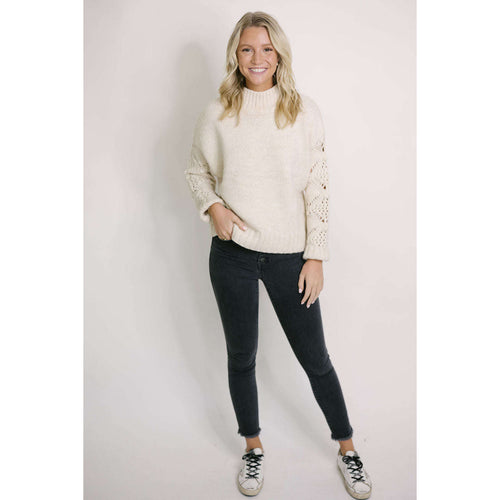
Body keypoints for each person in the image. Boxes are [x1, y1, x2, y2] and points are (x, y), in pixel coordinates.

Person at [184, 11, 372, 499]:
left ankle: (347, 449)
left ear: (280, 54)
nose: (257, 58)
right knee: (241, 356)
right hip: (233, 256)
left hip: (291, 257)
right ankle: (253, 447)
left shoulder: (303, 112)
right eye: (248, 49)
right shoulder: (218, 112)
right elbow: (197, 171)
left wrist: (316, 256)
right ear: (235, 54)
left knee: (316, 359)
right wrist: (214, 207)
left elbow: (318, 187)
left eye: (267, 49)